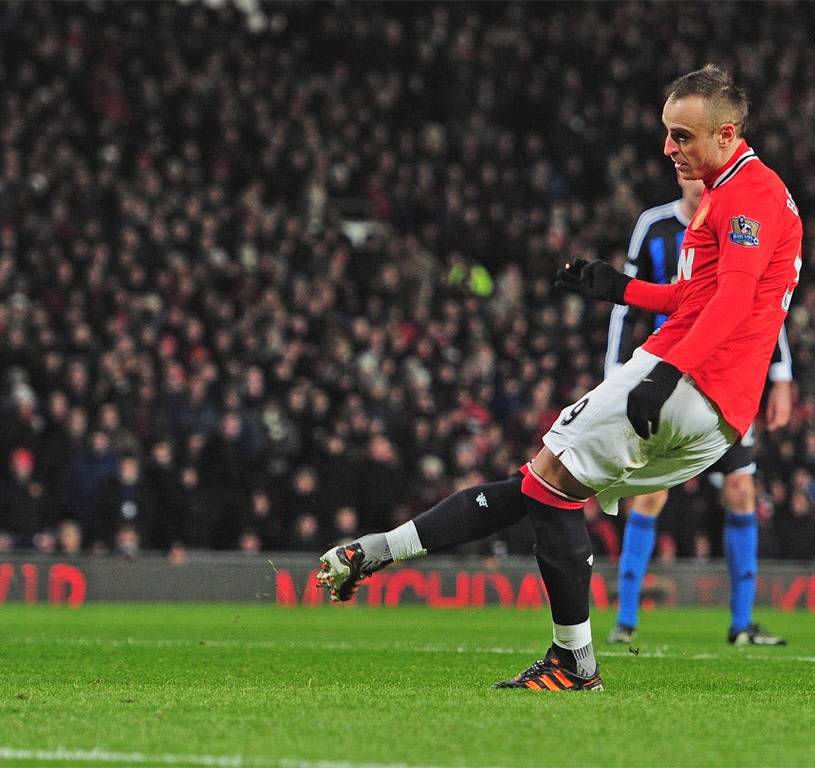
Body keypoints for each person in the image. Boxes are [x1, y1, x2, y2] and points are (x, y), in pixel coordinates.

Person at [317, 65, 803, 691]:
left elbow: (732, 303)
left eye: (682, 136)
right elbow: (697, 294)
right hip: (717, 408)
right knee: (542, 486)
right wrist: (620, 288)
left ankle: (574, 661)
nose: (668, 149)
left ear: (726, 133)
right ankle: (375, 552)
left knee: (548, 483)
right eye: (667, 134)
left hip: (689, 378)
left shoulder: (750, 195)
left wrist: (666, 375)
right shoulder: (736, 191)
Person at [605, 175, 793, 646]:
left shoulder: (738, 220)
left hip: (729, 374)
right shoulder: (655, 226)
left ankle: (742, 625)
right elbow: (625, 306)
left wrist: (782, 374)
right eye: (683, 169)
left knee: (741, 488)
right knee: (651, 494)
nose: (692, 178)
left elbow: (762, 303)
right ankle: (625, 621)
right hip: (671, 371)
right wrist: (616, 368)